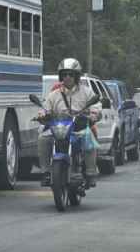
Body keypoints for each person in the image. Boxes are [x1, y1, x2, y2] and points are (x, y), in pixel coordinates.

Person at [38, 58, 101, 188]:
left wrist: (94, 114)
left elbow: (97, 105)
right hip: (58, 127)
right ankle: (45, 172)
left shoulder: (86, 92)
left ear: (76, 76)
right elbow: (45, 107)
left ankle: (90, 173)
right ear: (61, 76)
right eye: (65, 74)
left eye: (71, 74)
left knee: (90, 139)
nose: (67, 77)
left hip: (79, 128)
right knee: (42, 138)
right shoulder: (54, 94)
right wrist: (42, 114)